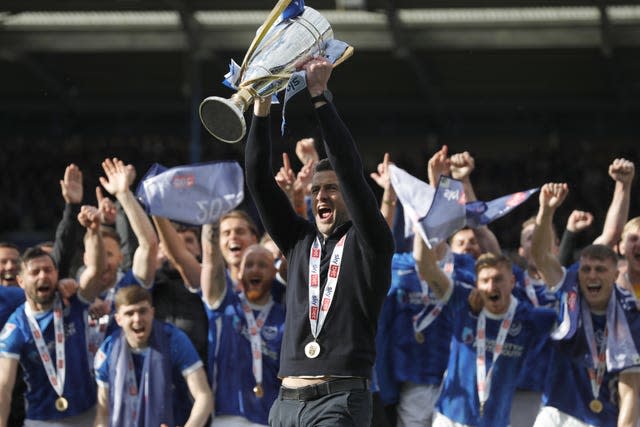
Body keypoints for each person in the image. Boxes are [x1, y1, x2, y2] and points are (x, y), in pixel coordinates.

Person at [245, 56, 394, 426]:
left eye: (331, 189)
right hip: (285, 404)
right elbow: (258, 179)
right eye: (315, 191)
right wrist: (262, 106)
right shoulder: (297, 240)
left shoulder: (371, 242)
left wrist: (319, 96)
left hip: (338, 401)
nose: (321, 197)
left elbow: (348, 167)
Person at [413, 232, 557, 427]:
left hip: (497, 422)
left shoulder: (530, 318)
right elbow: (426, 266)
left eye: (498, 279)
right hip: (450, 419)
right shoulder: (462, 303)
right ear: (477, 284)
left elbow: (571, 306)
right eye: (485, 281)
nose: (491, 287)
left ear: (512, 282)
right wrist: (423, 222)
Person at [531, 182, 640, 427]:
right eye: (586, 269)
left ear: (615, 274)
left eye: (600, 270)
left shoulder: (631, 316)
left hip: (601, 419)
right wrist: (546, 211)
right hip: (556, 411)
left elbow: (630, 388)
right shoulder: (569, 285)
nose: (591, 276)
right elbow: (540, 256)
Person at [0, 206, 105, 427]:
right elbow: (3, 386)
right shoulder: (16, 326)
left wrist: (94, 232)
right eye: (35, 272)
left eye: (48, 270)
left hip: (88, 414)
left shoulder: (73, 301)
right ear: (20, 281)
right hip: (41, 420)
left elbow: (95, 271)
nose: (43, 276)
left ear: (57, 274)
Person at [94, 286, 213, 427]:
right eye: (129, 313)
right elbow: (103, 412)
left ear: (152, 313)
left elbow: (203, 396)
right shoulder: (107, 351)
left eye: (142, 311)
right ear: (118, 319)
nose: (137, 319)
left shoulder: (174, 340)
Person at [201, 227, 285, 426]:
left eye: (263, 265)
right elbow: (211, 259)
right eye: (250, 265)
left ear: (274, 273)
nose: (255, 269)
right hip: (227, 416)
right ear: (239, 273)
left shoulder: (284, 317)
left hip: (269, 418)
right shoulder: (225, 305)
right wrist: (210, 223)